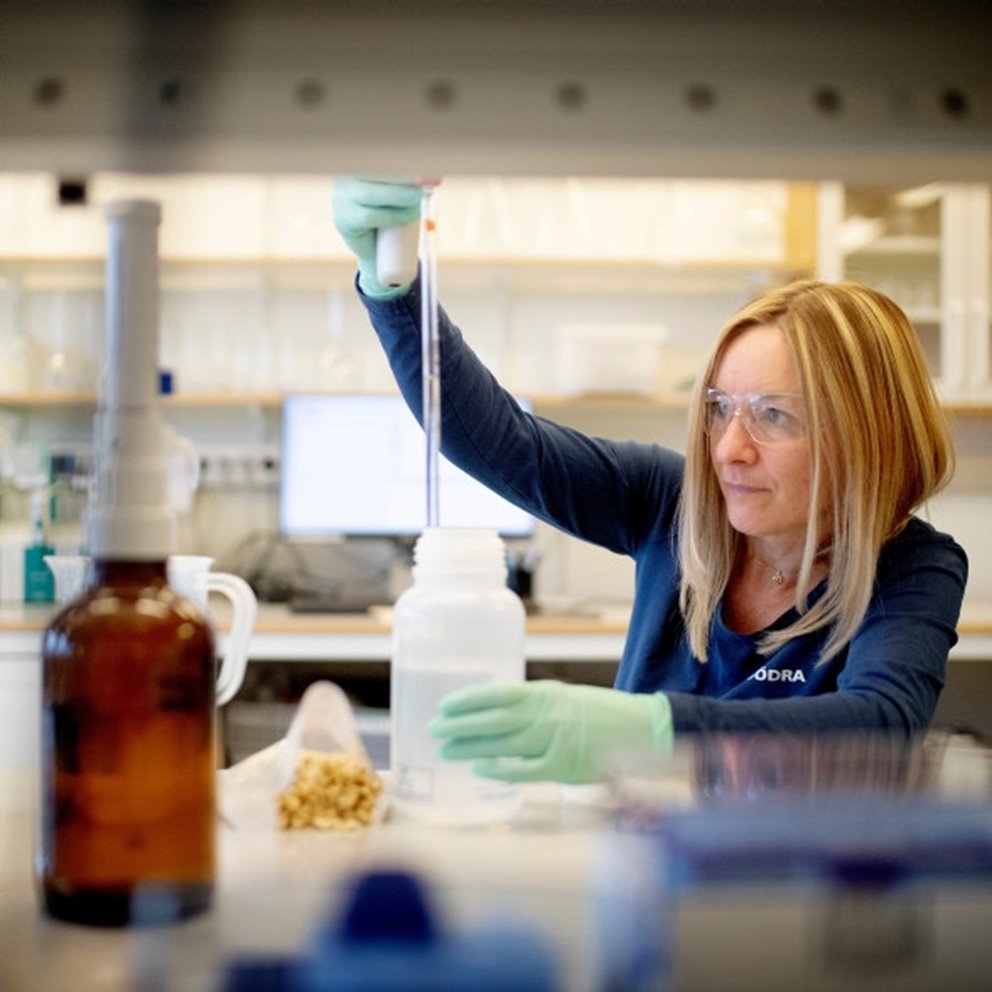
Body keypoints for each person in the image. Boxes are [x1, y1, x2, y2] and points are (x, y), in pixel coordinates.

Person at [331, 176, 968, 785]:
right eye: (721, 409)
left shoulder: (912, 566)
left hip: (788, 874)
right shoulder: (673, 503)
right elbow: (497, 440)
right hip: (641, 856)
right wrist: (396, 289)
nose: (729, 450)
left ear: (864, 434)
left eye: (773, 416)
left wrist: (656, 730)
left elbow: (881, 724)